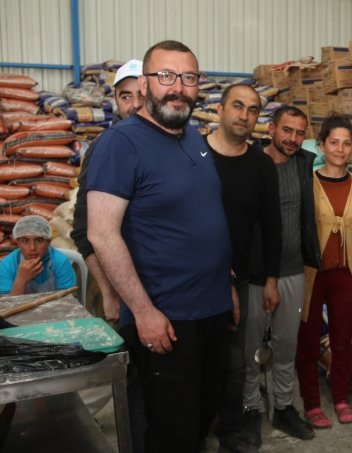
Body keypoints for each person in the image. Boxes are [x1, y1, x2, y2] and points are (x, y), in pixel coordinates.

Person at [86, 40, 233, 451]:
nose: (178, 87)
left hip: (212, 309)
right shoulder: (121, 144)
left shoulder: (194, 139)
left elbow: (206, 220)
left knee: (203, 419)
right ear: (146, 82)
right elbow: (101, 233)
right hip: (166, 319)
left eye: (188, 78)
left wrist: (228, 287)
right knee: (170, 434)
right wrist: (143, 311)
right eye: (166, 76)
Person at [206, 83, 281, 452]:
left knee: (234, 363)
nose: (244, 115)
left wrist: (270, 280)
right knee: (194, 360)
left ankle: (231, 434)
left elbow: (272, 226)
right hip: (190, 277)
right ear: (220, 109)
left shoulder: (261, 165)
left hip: (237, 282)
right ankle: (194, 429)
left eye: (252, 110)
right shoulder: (193, 153)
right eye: (237, 106)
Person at [296, 114, 352, 429]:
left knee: (343, 340)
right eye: (334, 142)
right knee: (307, 339)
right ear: (321, 145)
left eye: (347, 143)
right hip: (311, 274)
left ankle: (342, 397)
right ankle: (312, 403)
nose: (340, 149)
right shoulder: (308, 183)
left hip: (345, 274)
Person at [252, 105, 321, 440]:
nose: (293, 139)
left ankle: (282, 407)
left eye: (299, 133)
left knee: (285, 346)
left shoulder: (304, 166)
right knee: (250, 349)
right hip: (255, 274)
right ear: (271, 129)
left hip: (294, 272)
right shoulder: (251, 164)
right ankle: (249, 410)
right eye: (287, 130)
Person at [71, 58, 144, 323]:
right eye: (126, 96)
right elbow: (83, 230)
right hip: (123, 291)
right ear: (115, 100)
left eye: (142, 95)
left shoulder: (172, 146)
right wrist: (110, 292)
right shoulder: (106, 150)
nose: (135, 105)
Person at [0, 215, 76, 295]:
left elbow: (69, 300)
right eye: (25, 241)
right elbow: (6, 305)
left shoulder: (60, 262)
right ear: (17, 242)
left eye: (39, 240)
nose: (32, 248)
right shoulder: (6, 265)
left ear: (49, 241)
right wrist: (21, 280)